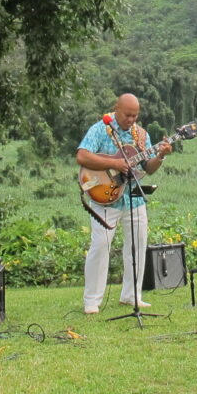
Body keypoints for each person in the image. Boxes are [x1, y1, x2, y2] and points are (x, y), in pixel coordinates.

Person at [77, 93, 172, 314]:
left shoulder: (141, 135)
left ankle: (132, 295)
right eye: (128, 115)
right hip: (105, 199)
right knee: (100, 247)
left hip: (133, 197)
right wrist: (115, 163)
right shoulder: (101, 128)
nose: (131, 119)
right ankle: (92, 300)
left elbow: (148, 168)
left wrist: (161, 155)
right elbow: (82, 156)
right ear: (116, 109)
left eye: (135, 115)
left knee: (138, 245)